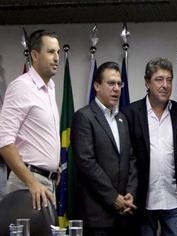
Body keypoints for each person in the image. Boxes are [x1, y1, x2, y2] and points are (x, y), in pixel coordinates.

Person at [122, 57, 177, 236]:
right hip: (143, 200)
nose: (165, 85)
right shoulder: (130, 113)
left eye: (169, 80)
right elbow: (127, 159)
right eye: (159, 79)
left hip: (173, 199)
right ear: (147, 83)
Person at [71, 61, 137, 236]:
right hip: (96, 216)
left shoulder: (122, 119)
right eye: (111, 83)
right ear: (97, 86)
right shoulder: (84, 117)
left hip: (124, 214)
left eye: (119, 84)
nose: (116, 88)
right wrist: (113, 198)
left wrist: (130, 194)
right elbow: (86, 163)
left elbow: (130, 159)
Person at [0, 30, 60, 210]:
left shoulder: (50, 87)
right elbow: (3, 141)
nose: (57, 57)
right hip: (27, 184)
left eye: (58, 52)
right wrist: (32, 182)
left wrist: (51, 165)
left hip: (45, 182)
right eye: (50, 52)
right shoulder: (22, 86)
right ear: (34, 55)